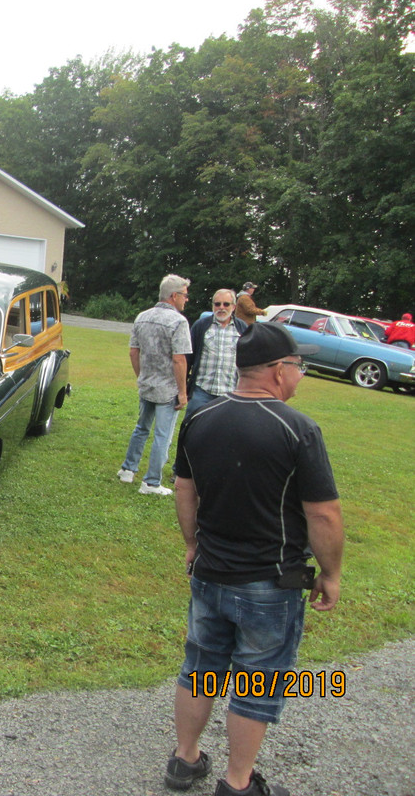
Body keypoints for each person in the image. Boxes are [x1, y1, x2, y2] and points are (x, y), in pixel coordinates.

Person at [165, 322, 345, 796]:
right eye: (298, 365)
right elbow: (323, 514)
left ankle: (185, 761)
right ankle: (238, 783)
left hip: (210, 573)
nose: (300, 374)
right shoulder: (297, 428)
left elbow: (186, 488)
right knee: (257, 683)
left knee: (200, 669)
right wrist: (331, 572)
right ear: (277, 371)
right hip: (271, 583)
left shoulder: (202, 418)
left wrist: (191, 543)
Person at [117, 274, 193, 496]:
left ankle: (127, 470)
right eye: (185, 295)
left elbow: (134, 351)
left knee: (141, 428)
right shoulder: (179, 322)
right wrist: (182, 392)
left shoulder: (142, 317)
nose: (186, 300)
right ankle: (151, 482)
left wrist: (142, 376)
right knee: (163, 434)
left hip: (147, 384)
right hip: (167, 388)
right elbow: (179, 359)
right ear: (174, 295)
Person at [184, 289, 247, 418]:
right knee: (191, 429)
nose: (221, 308)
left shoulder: (243, 329)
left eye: (226, 304)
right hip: (201, 391)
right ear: (213, 306)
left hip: (230, 393)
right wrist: (184, 387)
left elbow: (249, 361)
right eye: (217, 304)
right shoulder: (200, 326)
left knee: (225, 434)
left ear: (234, 307)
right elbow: (188, 358)